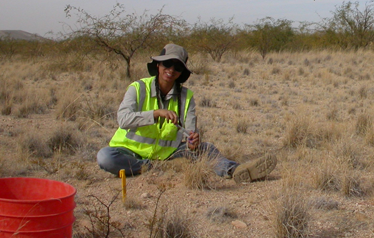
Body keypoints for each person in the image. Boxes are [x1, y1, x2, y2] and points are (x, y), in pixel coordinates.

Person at [97, 43, 277, 183]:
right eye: (167, 63)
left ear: (182, 72)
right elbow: (123, 120)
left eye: (177, 67)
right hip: (129, 151)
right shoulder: (137, 88)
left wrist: (193, 141)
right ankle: (152, 167)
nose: (171, 70)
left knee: (206, 149)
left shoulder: (186, 96)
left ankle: (235, 171)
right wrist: (156, 113)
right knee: (105, 157)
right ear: (158, 64)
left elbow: (191, 131)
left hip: (168, 153)